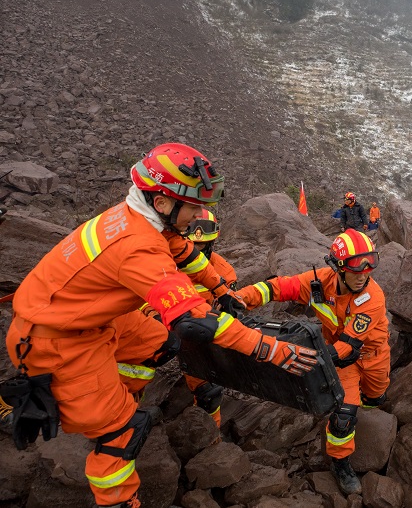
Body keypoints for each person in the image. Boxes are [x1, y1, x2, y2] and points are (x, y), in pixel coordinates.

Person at [3, 143, 318, 508]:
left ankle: (117, 394)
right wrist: (270, 349)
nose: (200, 213)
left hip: (86, 318)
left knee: (158, 340)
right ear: (164, 202)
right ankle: (116, 480)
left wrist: (219, 288)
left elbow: (182, 251)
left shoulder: (138, 215)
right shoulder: (138, 249)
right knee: (123, 433)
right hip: (56, 340)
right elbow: (194, 321)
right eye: (195, 205)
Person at [235, 229, 388, 496]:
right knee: (343, 416)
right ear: (338, 268)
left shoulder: (372, 298)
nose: (364, 273)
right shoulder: (319, 283)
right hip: (344, 363)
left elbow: (347, 348)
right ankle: (341, 462)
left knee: (377, 397)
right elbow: (277, 287)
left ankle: (373, 405)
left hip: (371, 356)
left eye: (370, 263)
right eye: (356, 266)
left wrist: (305, 357)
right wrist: (240, 299)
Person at [181, 209, 237, 428]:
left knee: (209, 393)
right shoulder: (164, 262)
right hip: (160, 327)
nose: (194, 252)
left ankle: (208, 439)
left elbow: (225, 313)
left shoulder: (224, 272)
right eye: (191, 245)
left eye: (201, 246)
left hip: (198, 334)